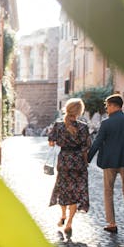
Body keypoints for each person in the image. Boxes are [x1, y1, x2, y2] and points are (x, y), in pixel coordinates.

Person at [86, 93, 124, 234]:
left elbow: (97, 142)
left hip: (109, 162)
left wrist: (87, 159)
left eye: (107, 106)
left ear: (113, 106)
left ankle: (112, 223)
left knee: (108, 192)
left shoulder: (106, 123)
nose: (106, 109)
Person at [48, 98, 91, 237]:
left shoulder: (58, 125)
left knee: (63, 189)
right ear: (79, 111)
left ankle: (63, 215)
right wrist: (85, 163)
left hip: (64, 160)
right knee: (75, 192)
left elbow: (51, 143)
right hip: (78, 161)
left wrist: (61, 141)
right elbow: (86, 148)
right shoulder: (83, 127)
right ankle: (69, 223)